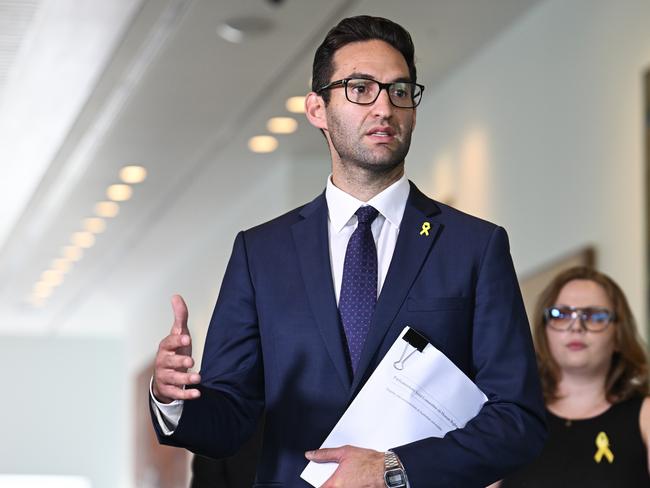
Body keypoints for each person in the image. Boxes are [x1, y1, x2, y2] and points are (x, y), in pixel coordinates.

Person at [150, 15, 546, 487]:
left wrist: (394, 470)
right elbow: (229, 422)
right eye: (360, 88)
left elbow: (518, 420)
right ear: (317, 109)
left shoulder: (474, 246)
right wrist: (171, 398)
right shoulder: (261, 253)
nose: (384, 107)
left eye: (399, 91)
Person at [499, 266, 650, 487]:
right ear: (544, 332)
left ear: (619, 335)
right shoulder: (512, 417)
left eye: (594, 316)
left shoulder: (645, 415)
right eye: (561, 315)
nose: (576, 326)